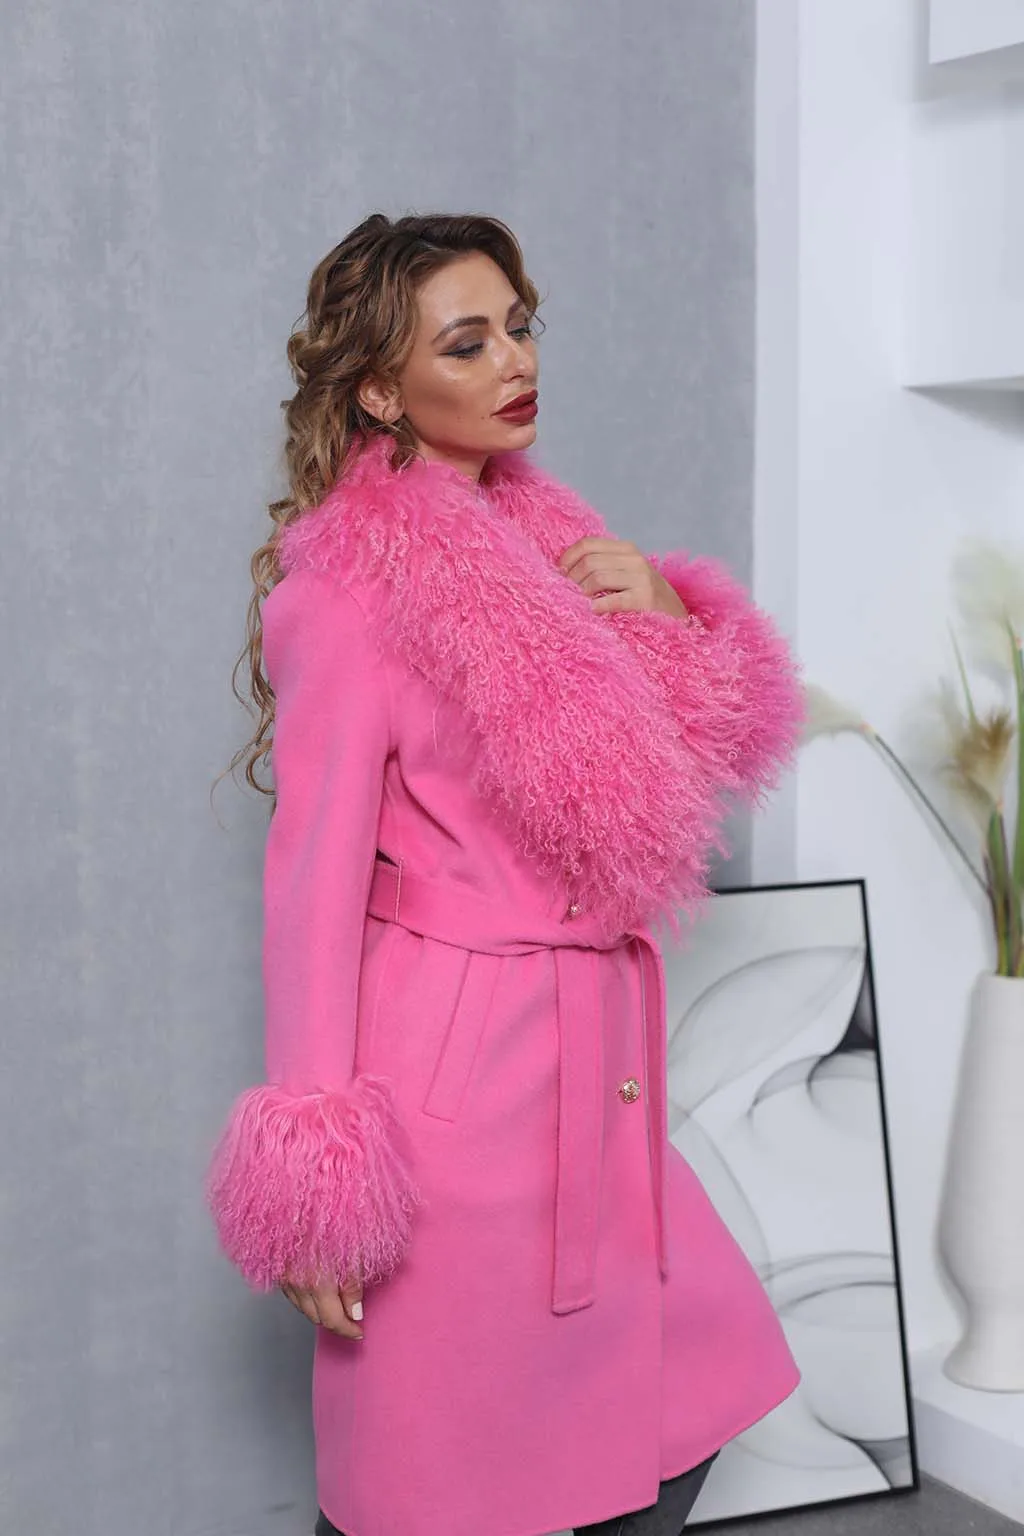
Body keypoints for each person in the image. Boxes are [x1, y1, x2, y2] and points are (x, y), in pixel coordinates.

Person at [205, 212, 804, 1536]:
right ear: (379, 389)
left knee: (675, 1402)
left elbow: (692, 770)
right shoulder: (346, 595)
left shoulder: (554, 545)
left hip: (601, 1066)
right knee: (438, 1463)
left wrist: (667, 618)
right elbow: (309, 891)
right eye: (466, 343)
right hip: (456, 1088)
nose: (514, 362)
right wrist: (318, 1177)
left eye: (519, 327)